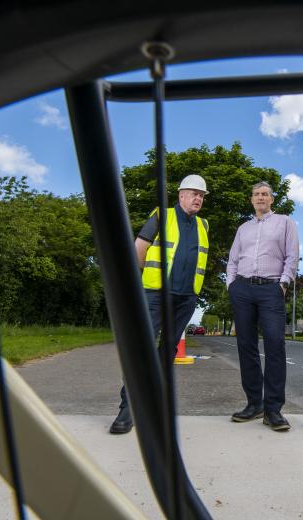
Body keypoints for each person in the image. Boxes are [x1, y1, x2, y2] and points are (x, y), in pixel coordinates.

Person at [109, 174, 210, 434]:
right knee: (143, 348)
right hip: (155, 294)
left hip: (186, 298)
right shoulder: (162, 215)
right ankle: (127, 408)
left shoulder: (204, 225)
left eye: (201, 195)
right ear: (181, 195)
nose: (198, 198)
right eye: (193, 193)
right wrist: (143, 280)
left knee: (167, 351)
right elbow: (139, 247)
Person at [226, 181, 299, 431]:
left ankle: (273, 410)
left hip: (271, 289)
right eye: (256, 194)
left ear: (271, 199)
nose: (260, 197)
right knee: (246, 346)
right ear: (251, 199)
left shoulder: (285, 222)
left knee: (274, 344)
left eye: (265, 194)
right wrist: (231, 285)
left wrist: (283, 284)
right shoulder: (243, 228)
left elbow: (291, 256)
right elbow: (233, 260)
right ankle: (254, 404)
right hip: (243, 288)